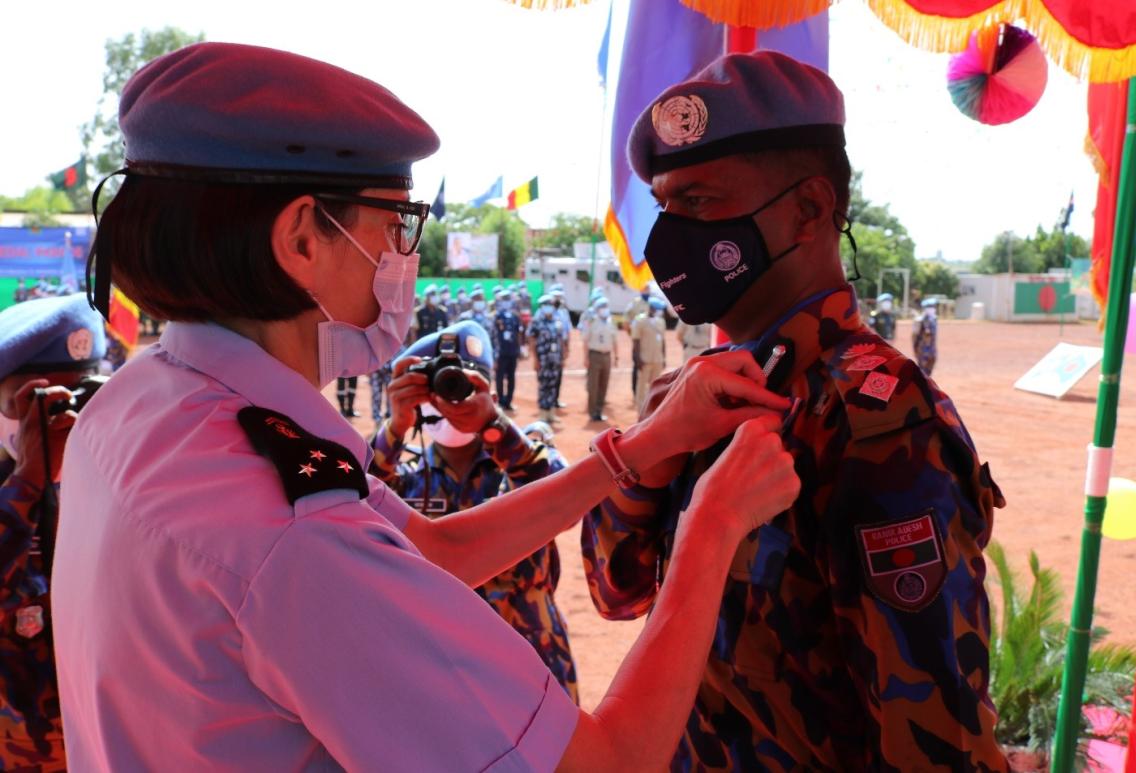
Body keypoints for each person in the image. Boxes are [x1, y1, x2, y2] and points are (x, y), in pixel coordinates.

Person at [52, 42, 799, 771]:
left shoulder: (137, 403)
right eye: (397, 224)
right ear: (303, 239)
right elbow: (608, 763)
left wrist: (638, 449)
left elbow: (437, 551)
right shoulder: (294, 536)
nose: (403, 255)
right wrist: (711, 525)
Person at [582, 50, 1007, 770]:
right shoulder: (700, 394)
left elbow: (937, 744)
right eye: (664, 206)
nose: (669, 235)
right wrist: (648, 457)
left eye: (698, 203)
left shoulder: (877, 426)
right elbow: (615, 590)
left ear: (808, 209)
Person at [369, 321, 578, 702]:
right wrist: (395, 429)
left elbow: (565, 499)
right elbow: (351, 504)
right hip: (437, 669)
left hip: (530, 661)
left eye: (462, 386)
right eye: (436, 390)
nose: (449, 400)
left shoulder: (526, 456)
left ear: (490, 394)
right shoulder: (405, 476)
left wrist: (495, 427)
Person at [0, 293, 108, 772]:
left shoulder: (121, 483)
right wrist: (27, 481)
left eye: (76, 398)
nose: (62, 420)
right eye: (40, 402)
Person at [526, 293, 565, 426]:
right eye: (546, 304)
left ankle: (551, 413)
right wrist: (535, 359)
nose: (549, 307)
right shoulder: (536, 322)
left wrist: (562, 357)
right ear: (542, 307)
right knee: (543, 386)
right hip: (543, 360)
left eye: (551, 304)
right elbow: (532, 340)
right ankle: (543, 413)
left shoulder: (557, 321)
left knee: (553, 386)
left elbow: (560, 340)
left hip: (555, 359)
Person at [581, 296, 617, 422]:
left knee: (604, 384)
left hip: (607, 356)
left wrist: (616, 356)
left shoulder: (611, 322)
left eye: (606, 306)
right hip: (594, 355)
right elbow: (585, 341)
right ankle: (592, 412)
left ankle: (599, 411)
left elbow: (615, 340)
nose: (605, 309)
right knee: (593, 385)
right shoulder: (591, 322)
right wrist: (586, 358)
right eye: (602, 307)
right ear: (597, 309)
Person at [631, 296, 667, 416]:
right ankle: (641, 413)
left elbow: (663, 341)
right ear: (651, 308)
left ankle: (652, 413)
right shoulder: (640, 320)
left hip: (657, 359)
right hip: (644, 359)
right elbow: (636, 341)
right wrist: (637, 359)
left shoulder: (661, 321)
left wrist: (664, 357)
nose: (659, 311)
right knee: (641, 387)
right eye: (657, 309)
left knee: (655, 386)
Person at [491, 288, 522, 414]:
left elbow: (518, 333)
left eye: (508, 299)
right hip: (500, 353)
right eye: (504, 299)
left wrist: (520, 349)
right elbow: (492, 336)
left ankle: (509, 401)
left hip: (512, 352)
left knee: (511, 377)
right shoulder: (496, 316)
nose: (506, 302)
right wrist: (494, 354)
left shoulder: (515, 317)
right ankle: (500, 401)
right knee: (499, 377)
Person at [623, 288, 651, 398]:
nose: (647, 290)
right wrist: (633, 335)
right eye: (645, 288)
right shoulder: (635, 303)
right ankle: (635, 391)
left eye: (648, 288)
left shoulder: (653, 302)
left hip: (651, 342)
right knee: (637, 366)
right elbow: (626, 321)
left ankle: (648, 393)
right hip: (638, 341)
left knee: (650, 366)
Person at [913, 297, 939, 375]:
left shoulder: (934, 319)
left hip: (932, 350)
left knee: (928, 373)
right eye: (930, 306)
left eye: (933, 306)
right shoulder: (919, 320)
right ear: (925, 308)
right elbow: (914, 336)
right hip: (923, 351)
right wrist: (915, 349)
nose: (932, 308)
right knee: (922, 373)